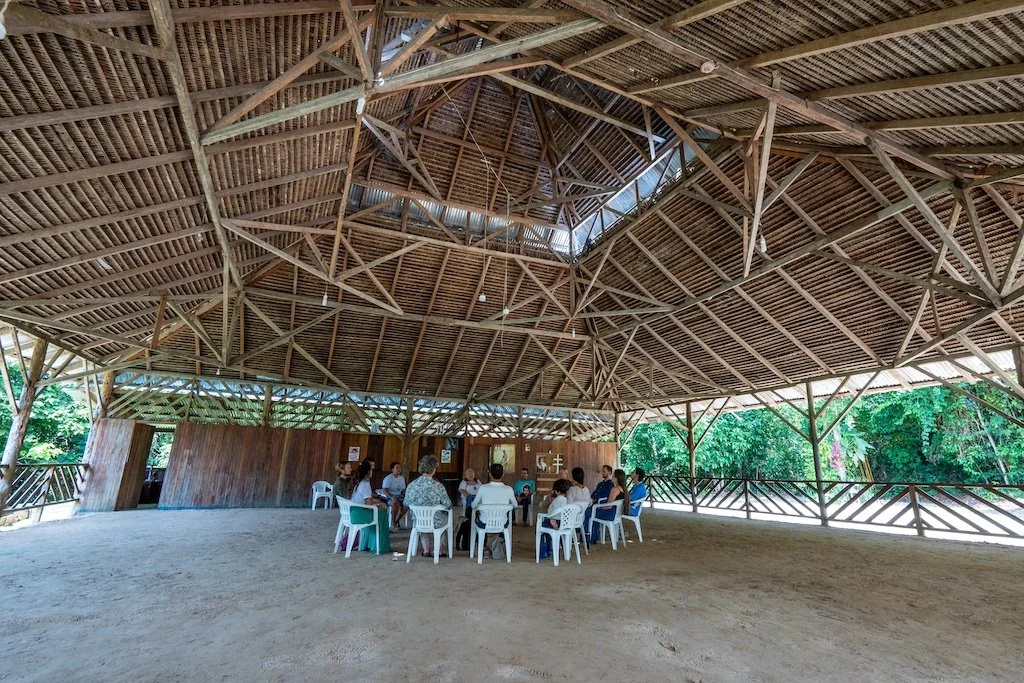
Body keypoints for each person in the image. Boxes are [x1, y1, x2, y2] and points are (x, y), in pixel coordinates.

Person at [403, 455, 453, 557]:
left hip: (419, 520)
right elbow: (448, 504)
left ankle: (426, 550)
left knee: (422, 519)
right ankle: (439, 550)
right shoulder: (438, 486)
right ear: (433, 469)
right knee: (445, 521)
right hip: (436, 520)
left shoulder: (412, 485)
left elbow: (406, 503)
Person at [471, 463, 517, 556]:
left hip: (484, 523)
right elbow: (515, 504)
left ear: (490, 475)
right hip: (502, 523)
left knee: (475, 519)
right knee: (506, 518)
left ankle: (482, 547)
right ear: (503, 474)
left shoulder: (483, 488)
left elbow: (473, 505)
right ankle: (498, 544)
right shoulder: (508, 489)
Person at [350, 460, 390, 553]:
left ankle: (366, 543)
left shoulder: (358, 482)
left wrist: (375, 502)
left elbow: (365, 499)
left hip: (354, 511)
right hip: (359, 514)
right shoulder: (365, 484)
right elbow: (368, 505)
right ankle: (378, 546)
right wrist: (378, 505)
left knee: (380, 509)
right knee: (383, 513)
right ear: (368, 472)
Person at [590, 468, 629, 544]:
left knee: (589, 512)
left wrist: (598, 507)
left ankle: (591, 537)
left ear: (617, 478)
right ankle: (595, 537)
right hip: (616, 514)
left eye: (613, 476)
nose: (612, 478)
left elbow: (608, 506)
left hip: (609, 514)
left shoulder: (615, 489)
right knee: (592, 511)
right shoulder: (623, 489)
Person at [538, 479, 572, 560]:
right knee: (549, 531)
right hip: (565, 523)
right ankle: (550, 549)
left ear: (556, 491)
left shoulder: (556, 500)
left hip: (554, 522)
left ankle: (543, 552)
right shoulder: (567, 499)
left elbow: (550, 512)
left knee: (541, 531)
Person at [380, 462, 407, 529]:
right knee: (395, 503)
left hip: (399, 496)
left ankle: (397, 520)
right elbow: (385, 490)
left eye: (400, 468)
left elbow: (403, 490)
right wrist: (391, 497)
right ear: (392, 469)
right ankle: (393, 521)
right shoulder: (388, 478)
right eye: (397, 468)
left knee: (407, 504)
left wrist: (406, 496)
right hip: (389, 497)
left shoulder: (401, 478)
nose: (399, 469)